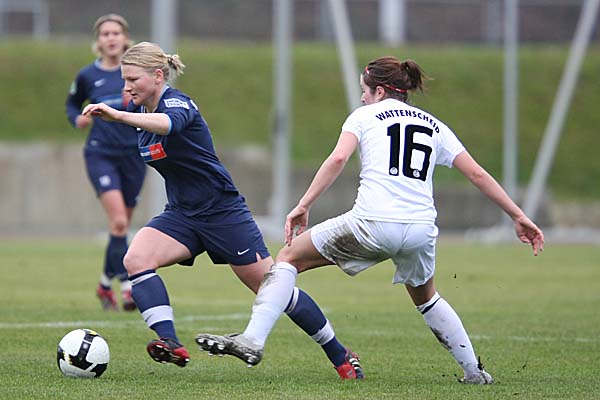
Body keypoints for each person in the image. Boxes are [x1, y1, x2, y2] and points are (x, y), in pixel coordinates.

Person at [195, 56, 545, 384]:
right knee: (427, 298)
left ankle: (253, 339)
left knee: (287, 258)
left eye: (364, 90)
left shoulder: (364, 116)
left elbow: (337, 160)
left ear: (378, 91)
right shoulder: (434, 125)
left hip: (372, 223)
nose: (362, 97)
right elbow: (477, 174)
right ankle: (474, 372)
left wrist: (303, 204)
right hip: (420, 229)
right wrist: (518, 216)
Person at [81, 41, 363, 379]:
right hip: (182, 214)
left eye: (132, 79)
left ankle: (340, 355)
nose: (126, 87)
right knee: (136, 259)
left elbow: (169, 124)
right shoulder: (141, 115)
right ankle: (170, 342)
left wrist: (116, 115)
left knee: (274, 290)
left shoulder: (177, 103)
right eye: (124, 80)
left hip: (222, 213)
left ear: (157, 76)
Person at [66, 14, 146, 312]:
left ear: (125, 39)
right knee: (120, 222)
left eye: (116, 33)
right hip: (101, 153)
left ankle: (103, 285)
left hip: (134, 154)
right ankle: (126, 287)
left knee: (119, 228)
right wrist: (76, 118)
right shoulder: (88, 75)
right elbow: (72, 103)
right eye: (105, 34)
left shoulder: (135, 74)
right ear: (98, 41)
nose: (111, 38)